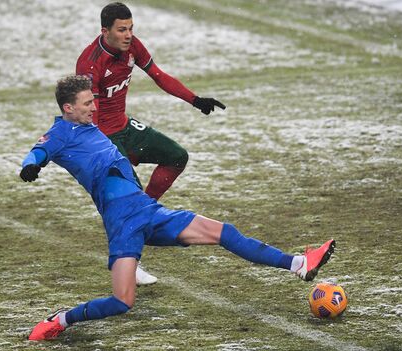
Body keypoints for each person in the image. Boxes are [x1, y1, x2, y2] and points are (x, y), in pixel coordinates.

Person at [21, 76, 335, 341]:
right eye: (88, 103)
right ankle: (62, 320)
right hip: (122, 223)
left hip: (147, 210)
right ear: (68, 108)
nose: (94, 106)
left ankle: (298, 264)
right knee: (122, 301)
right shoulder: (60, 133)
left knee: (221, 231)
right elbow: (37, 151)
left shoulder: (90, 125)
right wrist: (30, 166)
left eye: (94, 100)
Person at [77, 2, 225, 285]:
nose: (129, 34)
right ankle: (129, 262)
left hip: (125, 127)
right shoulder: (90, 64)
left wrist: (194, 99)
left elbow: (158, 75)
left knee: (176, 156)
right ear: (104, 31)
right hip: (103, 138)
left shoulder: (133, 47)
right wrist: (104, 153)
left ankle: (142, 215)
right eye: (122, 30)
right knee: (126, 201)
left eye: (131, 28)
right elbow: (88, 114)